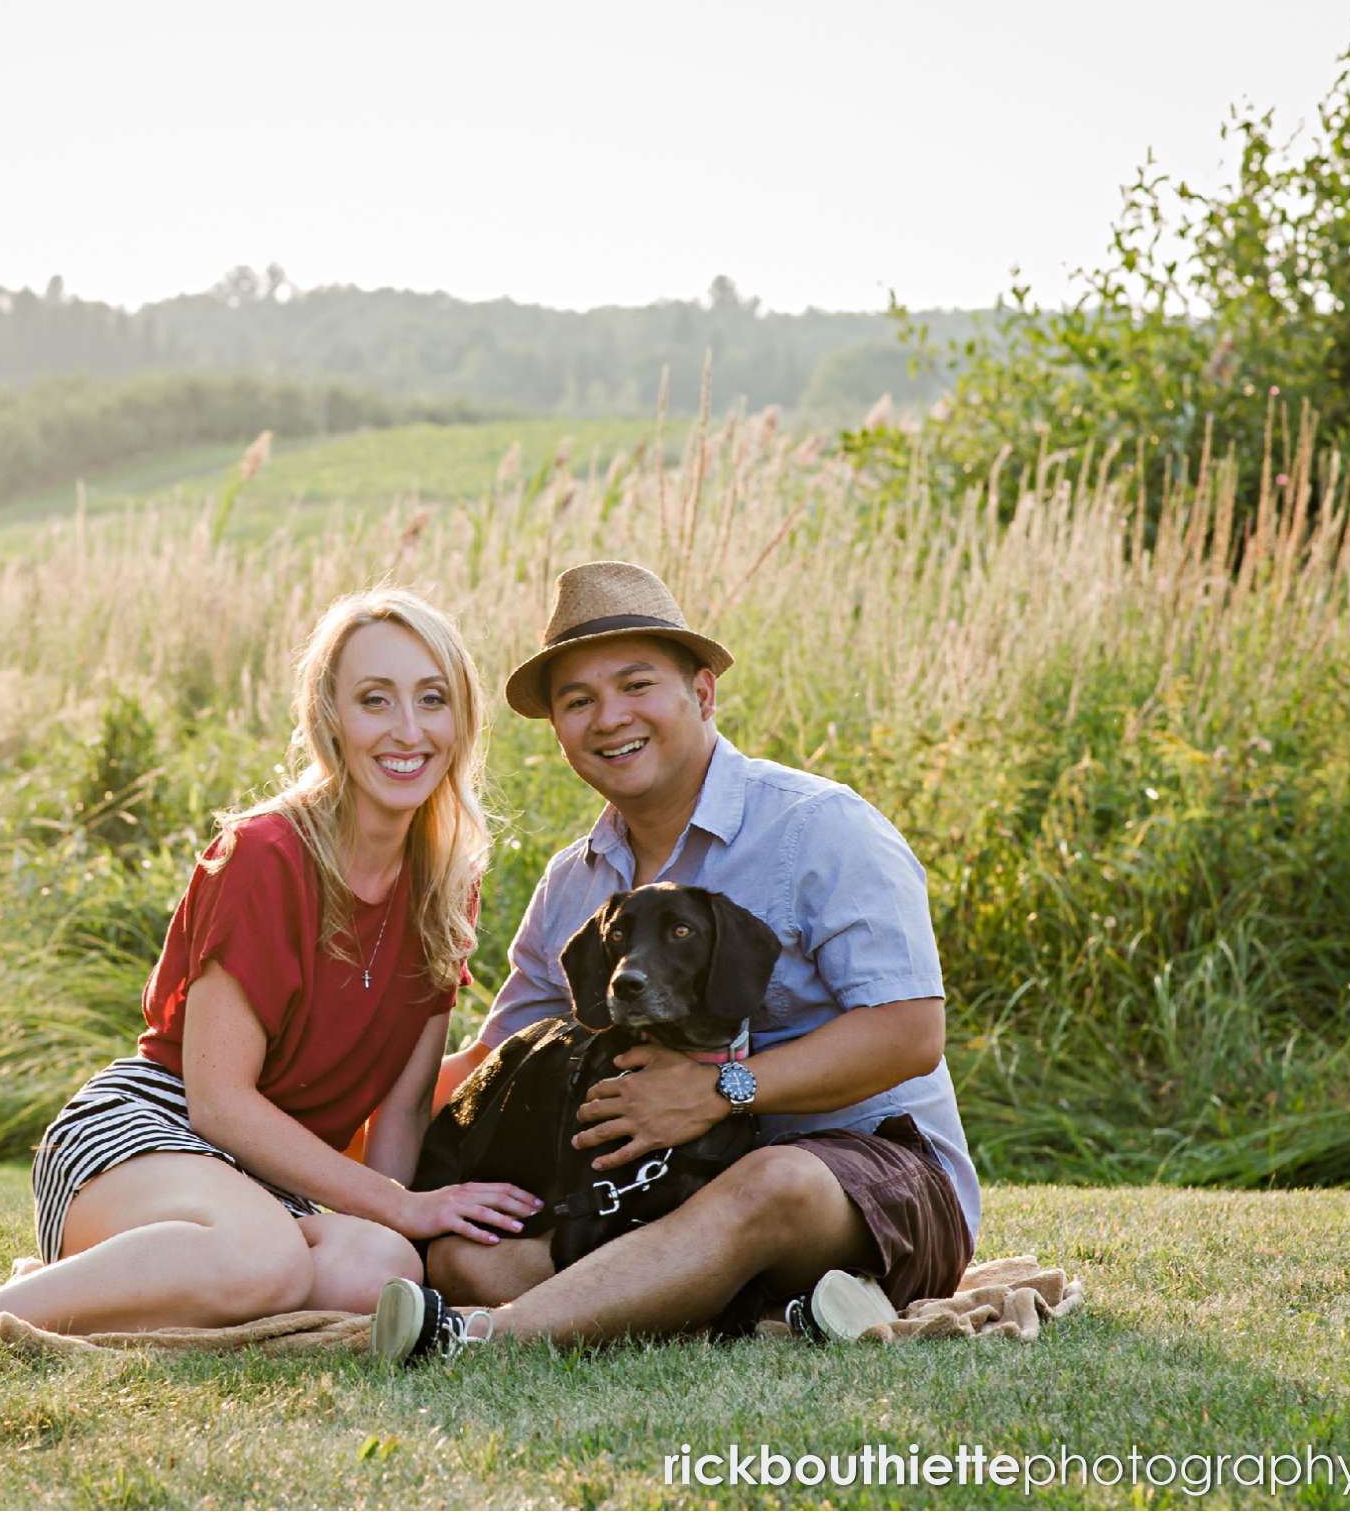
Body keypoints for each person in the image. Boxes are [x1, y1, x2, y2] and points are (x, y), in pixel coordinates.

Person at [0, 588, 541, 1339]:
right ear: (330, 718)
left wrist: (399, 1216)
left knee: (377, 1270)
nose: (408, 730)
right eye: (375, 700)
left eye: (432, 699)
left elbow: (403, 1109)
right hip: (144, 1132)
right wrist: (406, 1203)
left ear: (462, 721)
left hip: (265, 1188)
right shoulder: (266, 853)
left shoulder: (447, 887)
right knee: (269, 1262)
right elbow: (218, 1101)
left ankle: (35, 1294)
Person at [369, 561, 980, 1363]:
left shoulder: (820, 828)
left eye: (635, 684)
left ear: (701, 693)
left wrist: (719, 1093)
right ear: (557, 728)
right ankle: (771, 1305)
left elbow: (909, 1033)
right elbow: (496, 1058)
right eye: (577, 700)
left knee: (772, 1179)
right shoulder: (574, 884)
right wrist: (327, 1138)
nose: (608, 718)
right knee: (460, 1252)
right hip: (658, 1197)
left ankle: (482, 1339)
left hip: (873, 1180)